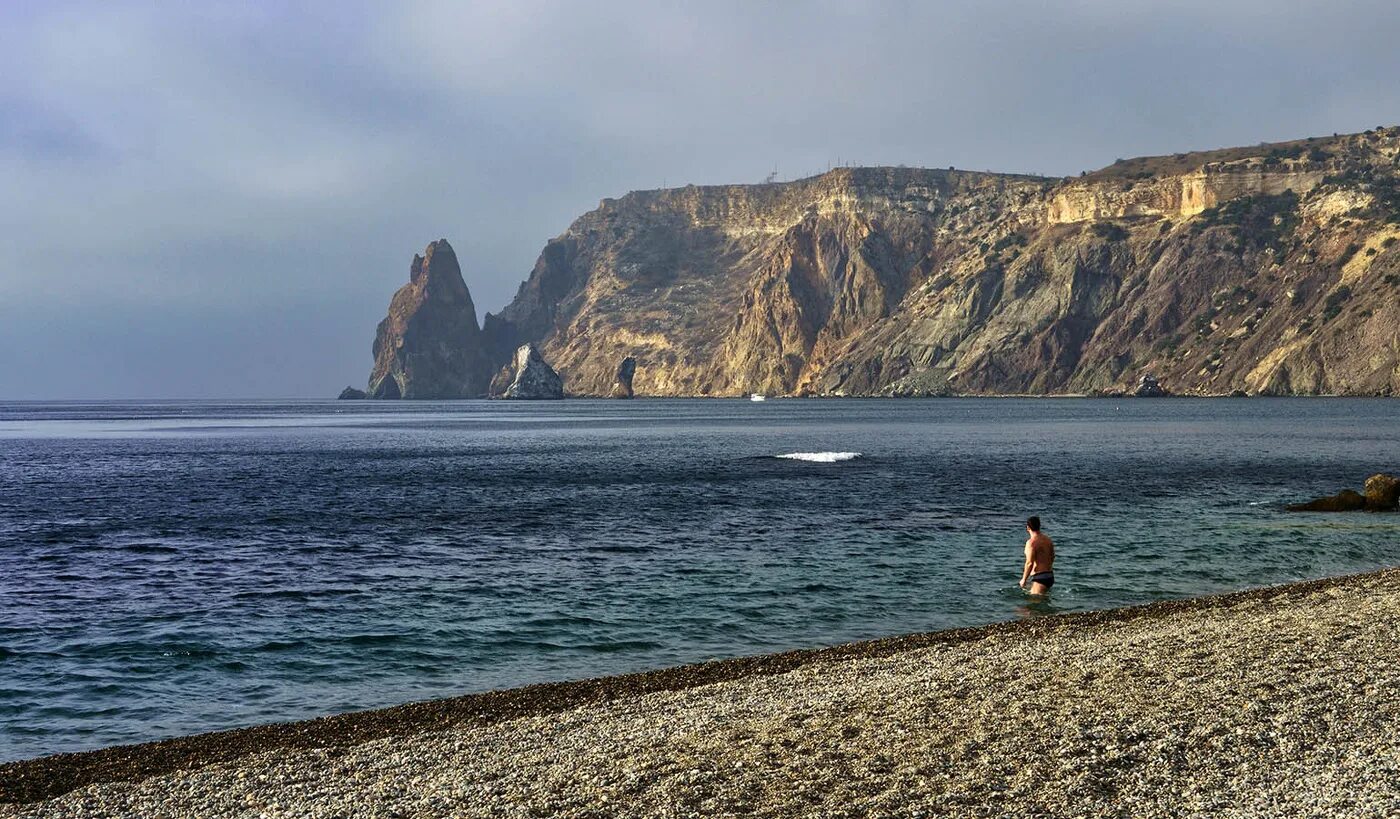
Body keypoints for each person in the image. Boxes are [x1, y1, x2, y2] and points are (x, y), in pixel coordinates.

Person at [1019, 516, 1055, 595]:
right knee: (1043, 602)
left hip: (1040, 577)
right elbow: (1052, 557)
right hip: (1050, 575)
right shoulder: (1048, 540)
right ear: (1039, 526)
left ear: (1028, 527)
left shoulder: (1031, 543)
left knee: (1032, 604)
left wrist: (1024, 579)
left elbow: (1029, 563)